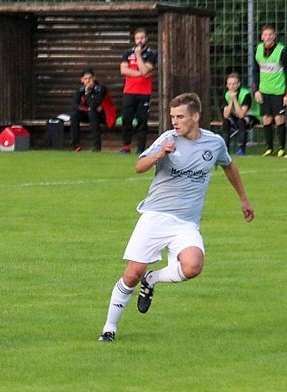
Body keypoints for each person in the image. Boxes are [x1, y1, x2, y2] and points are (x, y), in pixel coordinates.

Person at [98, 93, 254, 343]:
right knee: (132, 274)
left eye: (180, 117)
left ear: (196, 116)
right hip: (156, 216)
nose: (175, 121)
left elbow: (228, 165)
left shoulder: (214, 143)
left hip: (186, 222)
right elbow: (139, 166)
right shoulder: (168, 139)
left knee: (193, 266)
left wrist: (243, 199)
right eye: (172, 117)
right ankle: (109, 328)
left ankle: (153, 279)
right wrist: (160, 154)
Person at [119, 27, 158, 154]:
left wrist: (138, 55)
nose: (139, 40)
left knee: (142, 120)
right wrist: (140, 73)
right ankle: (126, 146)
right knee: (126, 119)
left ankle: (141, 148)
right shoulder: (127, 53)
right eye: (137, 38)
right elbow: (123, 70)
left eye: (141, 38)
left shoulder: (151, 53)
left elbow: (146, 70)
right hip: (129, 91)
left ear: (146, 38)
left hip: (144, 93)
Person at [252, 25, 287, 157]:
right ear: (262, 37)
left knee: (279, 118)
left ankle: (282, 148)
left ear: (274, 36)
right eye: (265, 35)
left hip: (278, 90)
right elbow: (255, 71)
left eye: (270, 34)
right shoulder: (258, 49)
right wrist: (256, 90)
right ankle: (269, 148)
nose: (268, 37)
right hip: (264, 90)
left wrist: (286, 94)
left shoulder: (282, 51)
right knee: (266, 119)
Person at [220, 72, 260, 156]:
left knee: (241, 121)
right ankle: (225, 150)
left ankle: (242, 149)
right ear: (227, 85)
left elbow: (241, 114)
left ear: (238, 84)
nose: (231, 86)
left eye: (234, 84)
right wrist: (231, 101)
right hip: (237, 116)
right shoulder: (227, 94)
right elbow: (226, 115)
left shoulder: (245, 94)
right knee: (226, 121)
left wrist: (234, 99)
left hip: (251, 116)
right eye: (229, 84)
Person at [70, 69, 108, 152]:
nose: (88, 81)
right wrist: (88, 109)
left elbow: (94, 104)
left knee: (92, 113)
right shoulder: (80, 89)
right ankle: (76, 145)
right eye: (85, 79)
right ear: (82, 80)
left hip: (102, 115)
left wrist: (87, 93)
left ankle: (96, 147)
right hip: (88, 113)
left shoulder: (100, 88)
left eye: (90, 78)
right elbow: (74, 105)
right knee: (74, 115)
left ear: (94, 78)